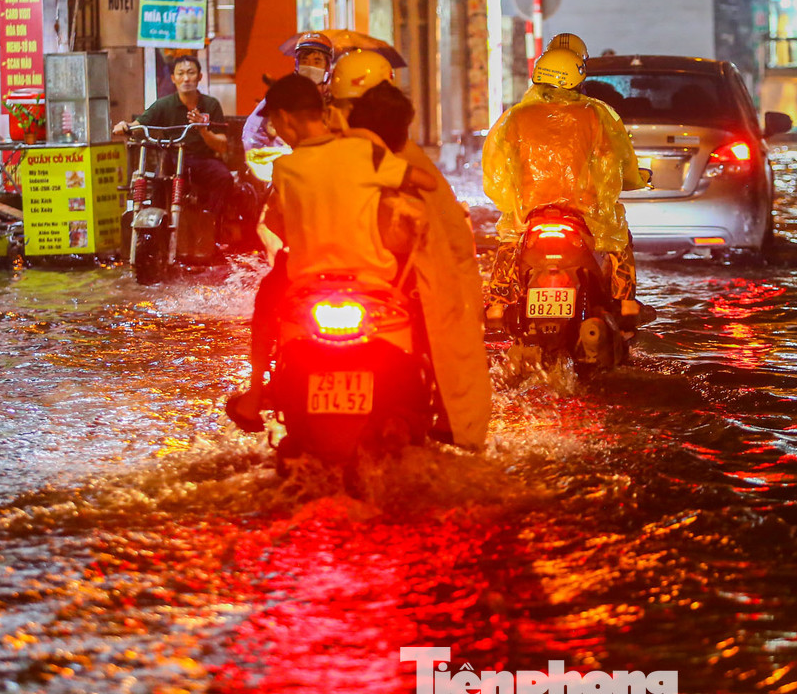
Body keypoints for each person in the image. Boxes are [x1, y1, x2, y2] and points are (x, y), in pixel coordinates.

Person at [226, 73, 437, 431]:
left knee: (265, 302)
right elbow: (427, 182)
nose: (276, 130)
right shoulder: (364, 152)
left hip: (306, 286)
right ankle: (443, 401)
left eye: (274, 122)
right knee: (425, 306)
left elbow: (277, 225)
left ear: (285, 117)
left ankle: (255, 392)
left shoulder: (285, 167)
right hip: (373, 283)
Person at [346, 82, 492, 450]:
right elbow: (454, 242)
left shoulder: (328, 154)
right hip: (385, 284)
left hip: (351, 282)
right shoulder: (401, 162)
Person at [482, 46, 646, 330]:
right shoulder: (596, 114)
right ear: (577, 80)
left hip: (530, 216)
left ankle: (497, 305)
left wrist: (515, 206)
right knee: (618, 236)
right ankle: (626, 301)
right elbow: (613, 168)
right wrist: (634, 181)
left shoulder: (515, 117)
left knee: (509, 240)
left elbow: (496, 175)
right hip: (583, 217)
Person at [112, 54, 234, 234]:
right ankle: (156, 230)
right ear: (173, 78)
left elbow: (222, 145)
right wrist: (124, 126)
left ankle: (210, 227)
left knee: (224, 178)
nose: (186, 78)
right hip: (173, 158)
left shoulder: (211, 104)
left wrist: (202, 129)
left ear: (199, 77)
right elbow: (140, 124)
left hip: (203, 159)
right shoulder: (164, 105)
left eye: (191, 73)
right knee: (159, 179)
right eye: (181, 73)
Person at [241, 32, 335, 152]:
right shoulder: (282, 96)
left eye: (317, 62)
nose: (310, 66)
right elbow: (253, 132)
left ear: (327, 67)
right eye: (304, 61)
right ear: (296, 64)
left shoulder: (335, 99)